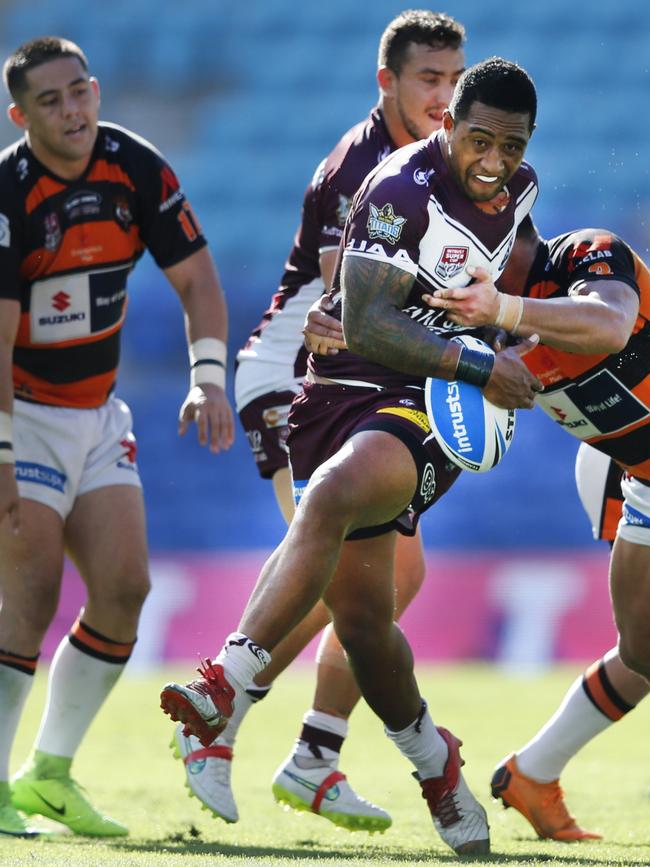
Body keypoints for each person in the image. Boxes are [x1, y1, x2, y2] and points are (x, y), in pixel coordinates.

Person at [161, 57, 542, 857]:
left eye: (511, 145)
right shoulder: (403, 191)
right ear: (448, 127)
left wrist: (514, 331)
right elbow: (366, 324)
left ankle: (224, 682)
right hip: (335, 391)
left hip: (423, 404)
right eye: (479, 140)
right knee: (366, 624)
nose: (494, 162)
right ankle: (437, 769)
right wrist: (484, 360)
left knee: (333, 496)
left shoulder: (519, 188)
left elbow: (519, 254)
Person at [0, 37, 233, 838]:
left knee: (125, 589)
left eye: (81, 92)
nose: (73, 111)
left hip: (98, 416)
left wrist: (209, 375)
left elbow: (197, 278)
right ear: (20, 114)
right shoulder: (8, 193)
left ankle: (48, 773)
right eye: (52, 101)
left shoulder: (136, 168)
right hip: (19, 410)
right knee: (26, 600)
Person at [425, 220, 650, 840]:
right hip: (626, 469)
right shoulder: (477, 328)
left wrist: (504, 306)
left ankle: (535, 770)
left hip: (627, 460)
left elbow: (609, 324)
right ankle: (533, 774)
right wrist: (340, 335)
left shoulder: (587, 252)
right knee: (643, 651)